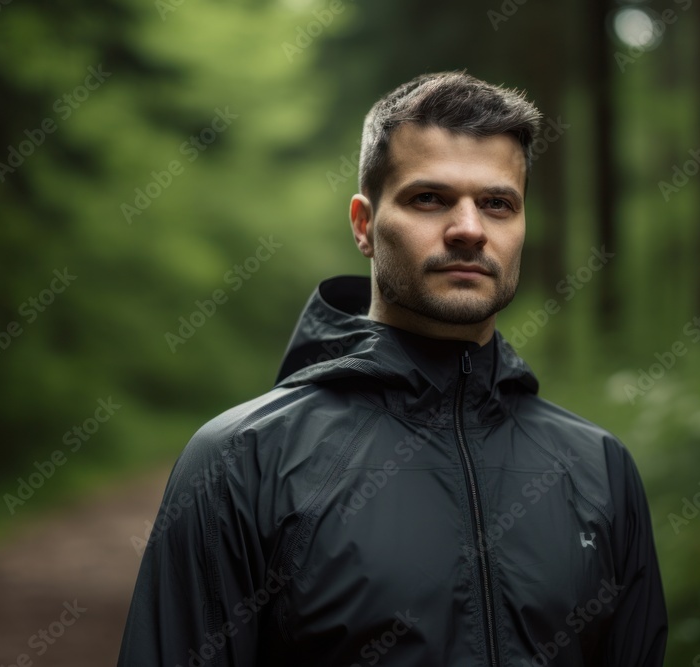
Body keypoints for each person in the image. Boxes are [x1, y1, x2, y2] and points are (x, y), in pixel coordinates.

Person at [118, 71, 667, 666]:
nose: (468, 229)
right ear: (363, 225)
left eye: (497, 204)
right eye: (429, 198)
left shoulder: (599, 469)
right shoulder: (241, 460)